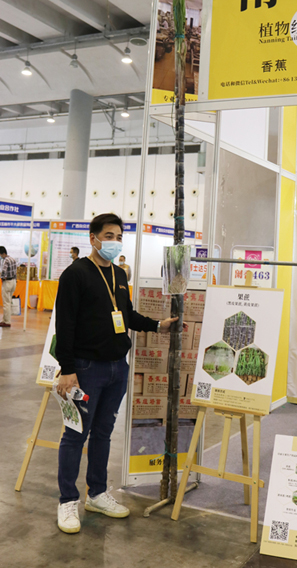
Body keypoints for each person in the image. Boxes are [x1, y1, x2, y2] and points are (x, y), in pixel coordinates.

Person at [55, 213, 180, 534]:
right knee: (75, 434)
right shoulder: (75, 274)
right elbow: (64, 324)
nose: (114, 242)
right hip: (85, 369)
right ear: (93, 238)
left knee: (103, 433)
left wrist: (157, 325)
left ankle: (97, 494)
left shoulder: (120, 275)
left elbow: (126, 314)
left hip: (116, 368)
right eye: (108, 236)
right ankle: (67, 500)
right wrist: (67, 370)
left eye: (118, 236)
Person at [0, 246, 17, 328]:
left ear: (3, 253)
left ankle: (7, 321)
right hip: (13, 282)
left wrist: (2, 277)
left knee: (6, 303)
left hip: (7, 283)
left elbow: (4, 272)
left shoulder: (6, 260)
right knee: (8, 302)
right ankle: (4, 320)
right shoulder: (13, 259)